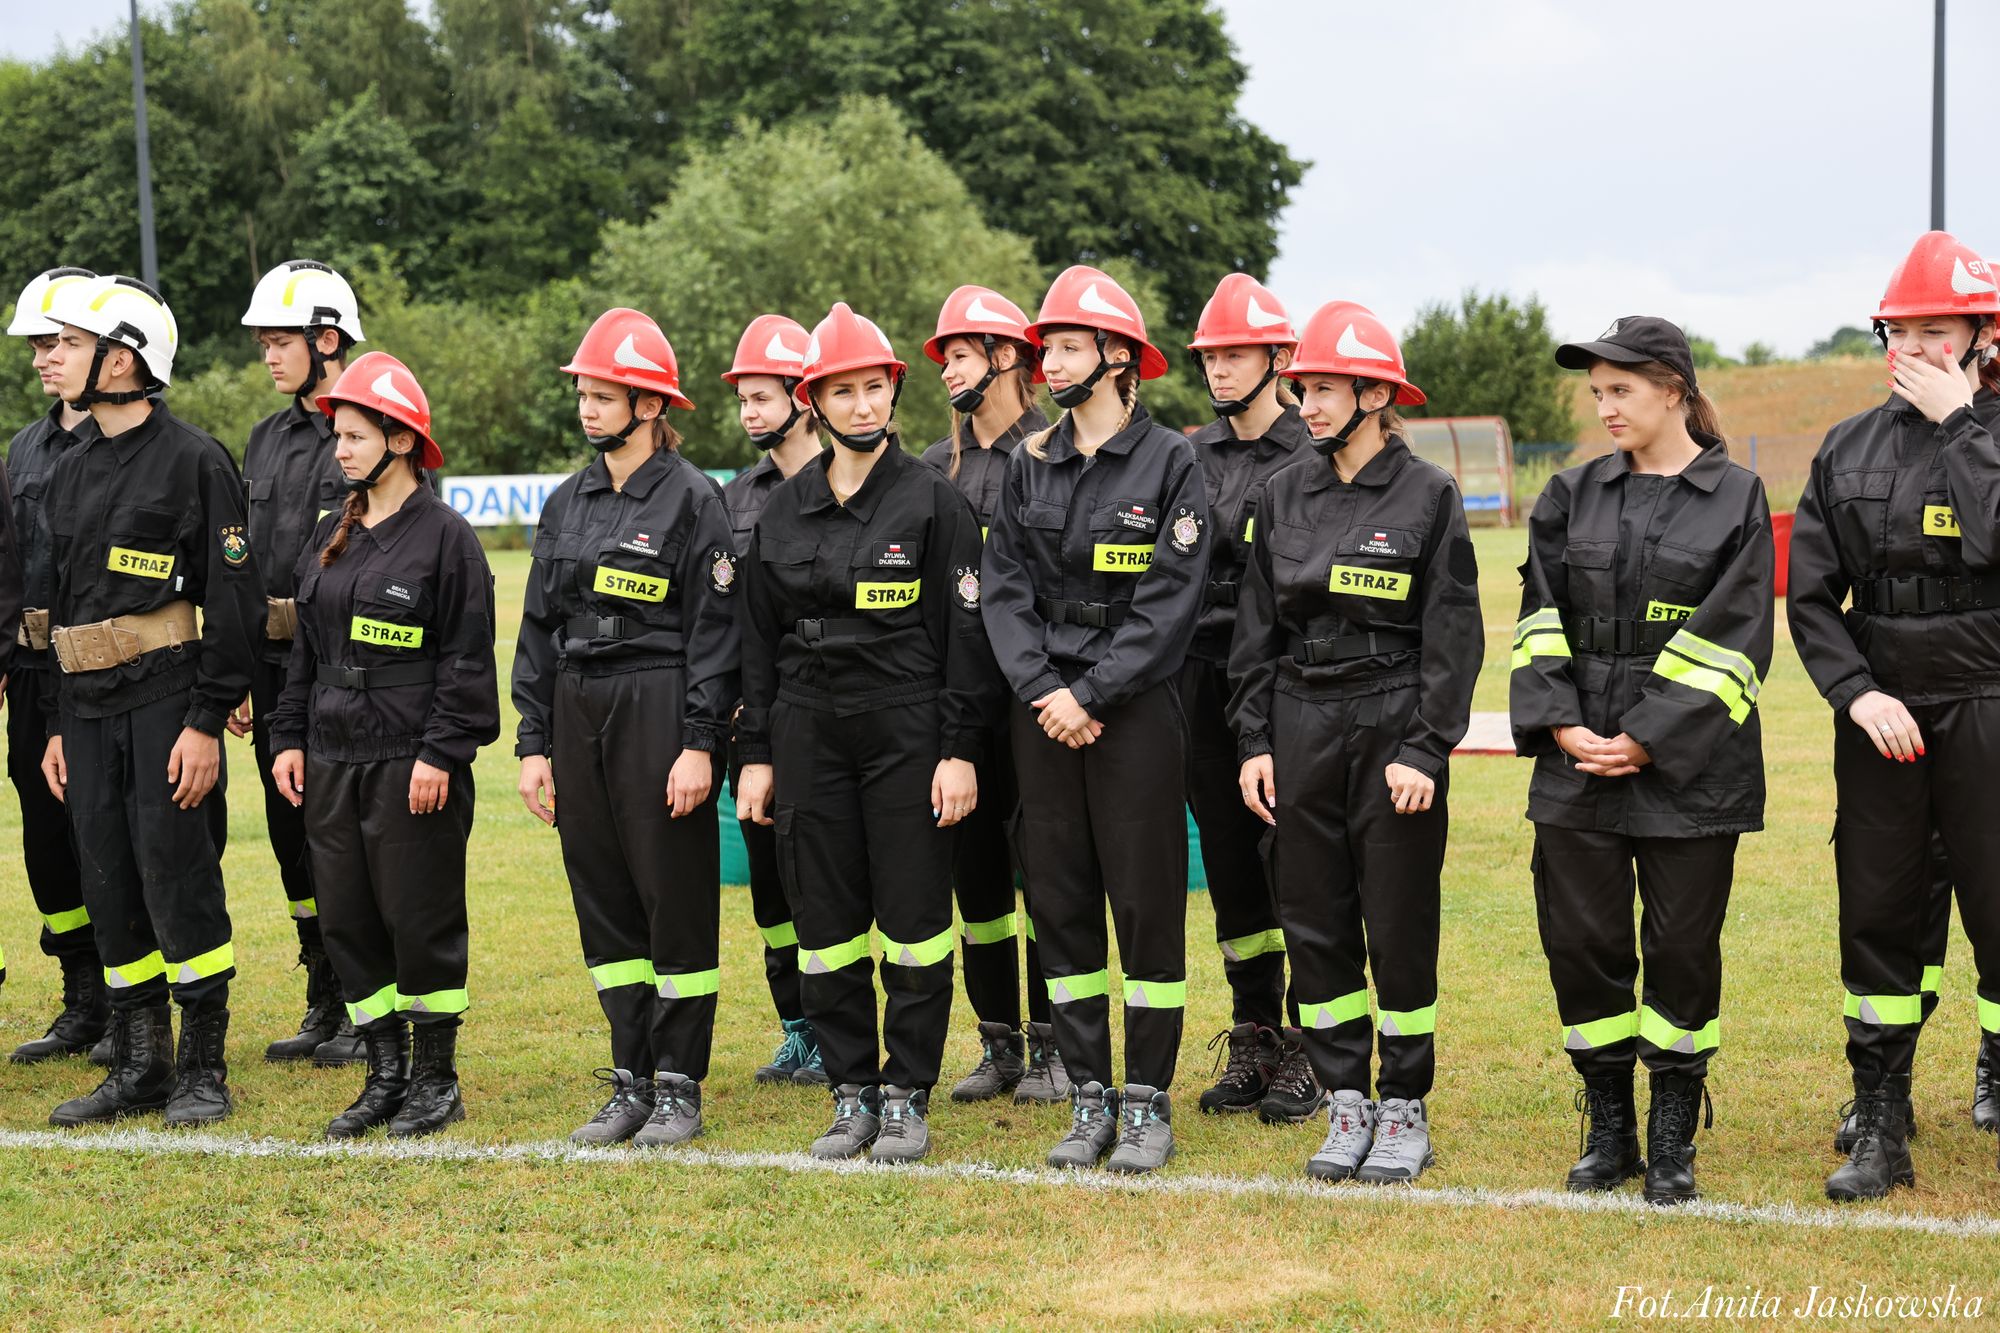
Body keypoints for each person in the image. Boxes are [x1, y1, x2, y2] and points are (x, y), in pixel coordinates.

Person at [1513, 315, 1772, 1205]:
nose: (1605, 406)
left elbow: (1736, 635)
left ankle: (1671, 1133)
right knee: (1581, 945)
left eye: (1620, 389)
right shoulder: (1569, 492)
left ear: (1673, 389)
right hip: (1576, 761)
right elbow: (1538, 613)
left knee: (1682, 950)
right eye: (1597, 393)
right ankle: (1611, 1127)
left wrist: (1650, 733)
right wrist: (1559, 722)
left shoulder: (1737, 495)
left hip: (1690, 768)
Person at [735, 302, 992, 1163]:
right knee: (827, 921)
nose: (861, 405)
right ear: (814, 400)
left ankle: (907, 1093)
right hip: (807, 731)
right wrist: (758, 757)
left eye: (873, 387)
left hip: (907, 729)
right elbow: (756, 648)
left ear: (892, 392)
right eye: (842, 391)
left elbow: (966, 640)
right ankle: (851, 1092)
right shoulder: (782, 511)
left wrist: (958, 750)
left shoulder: (933, 502)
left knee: (915, 921)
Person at [1231, 299, 1481, 1183]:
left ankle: (1405, 1104)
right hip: (1301, 720)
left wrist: (1426, 747)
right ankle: (1346, 1102)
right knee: (1315, 919)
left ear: (1377, 394)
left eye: (1328, 388)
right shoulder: (1282, 489)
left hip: (1393, 717)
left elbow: (1454, 636)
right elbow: (1255, 631)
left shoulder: (1428, 493)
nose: (1309, 402)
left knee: (1399, 920)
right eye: (1303, 386)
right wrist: (1255, 739)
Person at [980, 265, 1208, 1173]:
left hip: (1135, 713)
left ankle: (1146, 1101)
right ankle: (1088, 1094)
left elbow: (1169, 601)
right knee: (1062, 902)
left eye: (1067, 346)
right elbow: (1004, 591)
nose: (1051, 361)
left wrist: (1094, 693)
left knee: (1146, 905)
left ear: (1118, 357)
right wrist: (1046, 692)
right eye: (1047, 347)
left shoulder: (1172, 463)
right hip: (1045, 715)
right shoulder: (1025, 463)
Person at [1788, 232, 2000, 1199]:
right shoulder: (1847, 447)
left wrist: (1965, 425)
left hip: (1989, 698)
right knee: (1878, 906)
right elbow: (1809, 594)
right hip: (1883, 712)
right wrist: (1856, 691)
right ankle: (1882, 1111)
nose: (1913, 348)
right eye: (1899, 330)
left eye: (1936, 331)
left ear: (1981, 337)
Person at [38, 274, 262, 1127]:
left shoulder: (197, 461)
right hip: (85, 709)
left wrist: (207, 721)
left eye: (73, 343)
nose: (55, 356)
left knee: (177, 872)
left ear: (122, 357)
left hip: (168, 701)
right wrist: (58, 721)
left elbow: (235, 600)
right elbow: (63, 603)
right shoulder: (72, 465)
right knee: (108, 878)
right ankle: (139, 1066)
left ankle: (203, 1066)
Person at [515, 309, 738, 1148]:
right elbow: (537, 626)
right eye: (584, 394)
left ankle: (679, 1084)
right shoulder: (567, 500)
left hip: (658, 699)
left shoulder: (692, 498)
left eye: (604, 395)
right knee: (602, 894)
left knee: (671, 895)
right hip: (577, 704)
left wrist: (698, 740)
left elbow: (718, 633)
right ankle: (630, 1077)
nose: (587, 408)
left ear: (650, 405)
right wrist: (534, 741)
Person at [269, 352, 498, 1138]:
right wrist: (289, 736)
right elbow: (306, 649)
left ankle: (436, 1078)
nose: (341, 448)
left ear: (402, 440)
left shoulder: (447, 539)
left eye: (358, 434)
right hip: (332, 756)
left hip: (410, 760)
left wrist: (440, 753)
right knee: (348, 918)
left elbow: (467, 659)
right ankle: (384, 1072)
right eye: (339, 434)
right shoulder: (338, 529)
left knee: (419, 914)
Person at [918, 284, 1068, 1105]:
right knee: (973, 876)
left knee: (1043, 871)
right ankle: (1000, 1041)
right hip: (954, 702)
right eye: (945, 359)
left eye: (963, 355)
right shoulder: (935, 470)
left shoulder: (1050, 455)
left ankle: (1056, 1044)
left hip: (1033, 695)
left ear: (1007, 356)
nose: (949, 373)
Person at [1182, 273, 1319, 1122]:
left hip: (1282, 682)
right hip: (1200, 682)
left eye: (1236, 353)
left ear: (1279, 358)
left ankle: (1314, 1046)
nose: (1221, 369)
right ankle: (1255, 1035)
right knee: (1232, 869)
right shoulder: (1189, 456)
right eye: (1211, 355)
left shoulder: (1312, 452)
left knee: (1295, 868)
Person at [233, 259, 369, 1066]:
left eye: (281, 340)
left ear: (327, 339)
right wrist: (245, 670)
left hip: (345, 668)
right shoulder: (266, 437)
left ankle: (366, 999)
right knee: (293, 839)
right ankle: (324, 993)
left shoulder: (372, 423)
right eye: (264, 341)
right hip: (274, 669)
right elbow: (249, 560)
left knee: (345, 836)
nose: (269, 354)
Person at [719, 314, 827, 1087]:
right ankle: (797, 1028)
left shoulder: (852, 480)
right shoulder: (734, 500)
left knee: (831, 880)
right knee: (770, 888)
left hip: (829, 718)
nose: (750, 413)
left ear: (805, 398)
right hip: (750, 726)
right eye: (744, 399)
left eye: (763, 397)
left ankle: (841, 1026)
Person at [4, 267, 107, 1065]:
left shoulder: (120, 444)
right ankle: (82, 996)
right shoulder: (24, 450)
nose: (43, 357)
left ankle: (132, 1001)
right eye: (37, 343)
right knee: (46, 840)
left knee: (108, 834)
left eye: (57, 342)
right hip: (33, 677)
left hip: (103, 677)